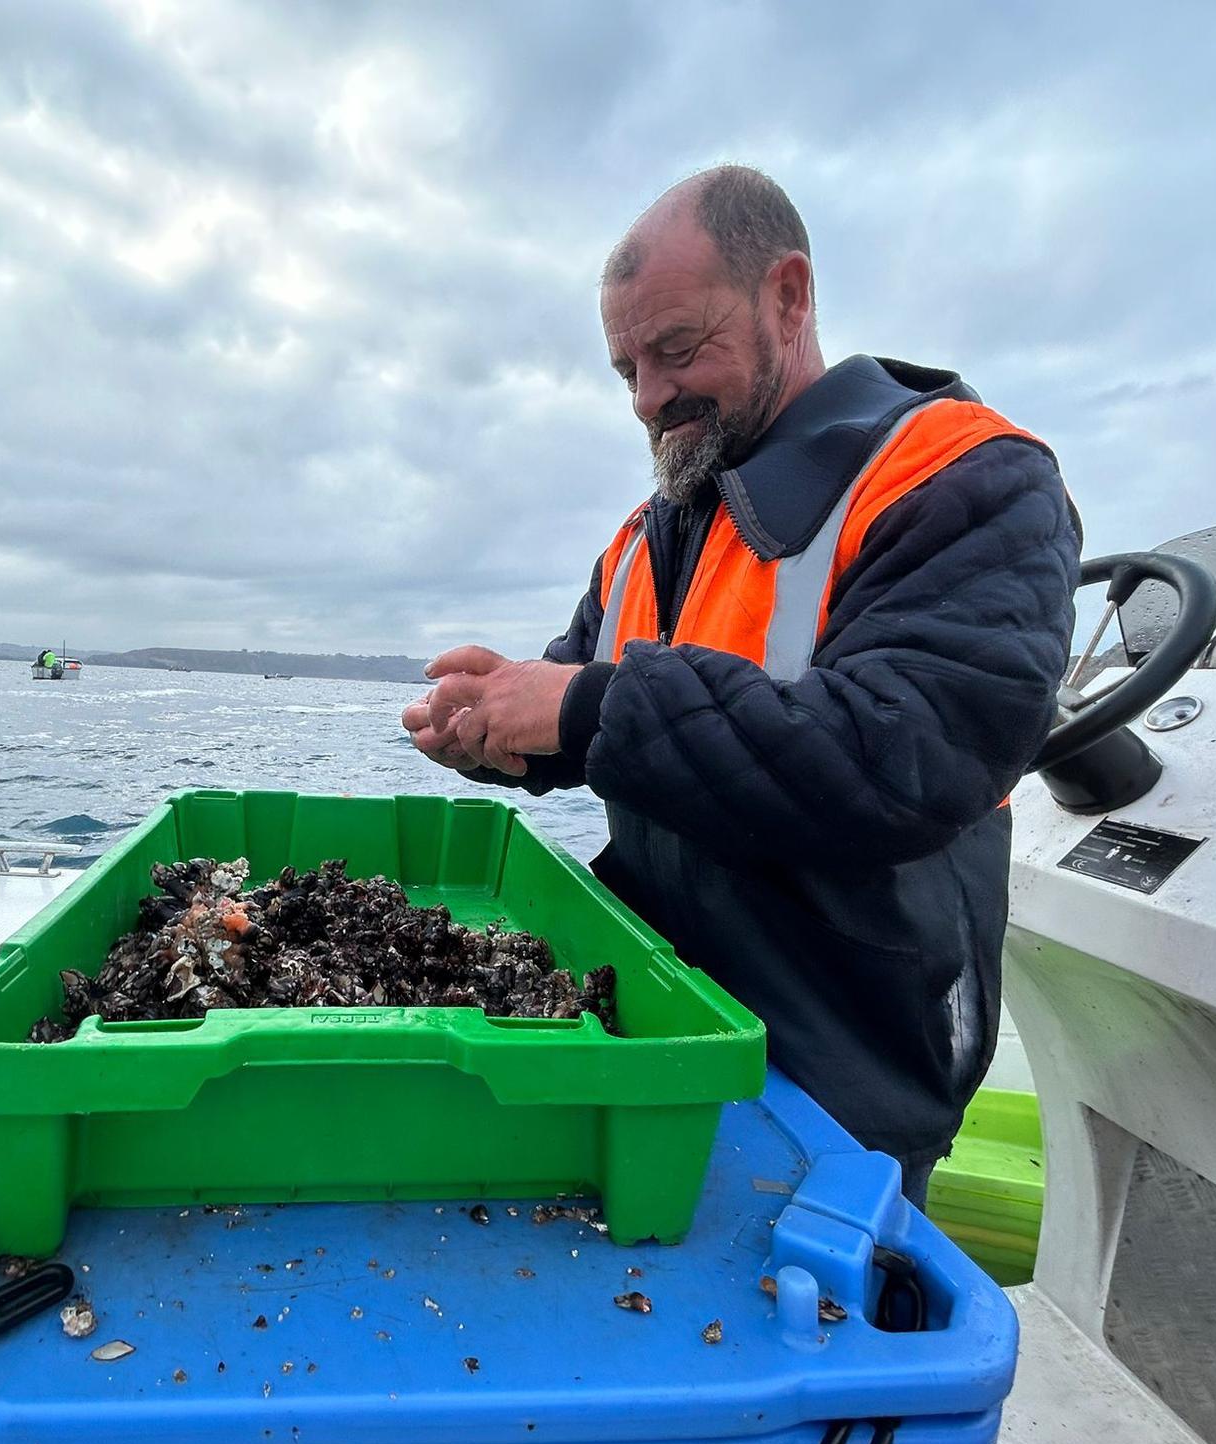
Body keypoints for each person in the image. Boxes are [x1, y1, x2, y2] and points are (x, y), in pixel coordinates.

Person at [403, 165, 1079, 1207]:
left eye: (675, 350)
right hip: (650, 1016)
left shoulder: (966, 478)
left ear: (788, 296)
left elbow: (907, 758)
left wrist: (578, 706)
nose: (646, 397)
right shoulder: (648, 530)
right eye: (624, 366)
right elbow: (583, 714)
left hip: (838, 1061)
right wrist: (491, 723)